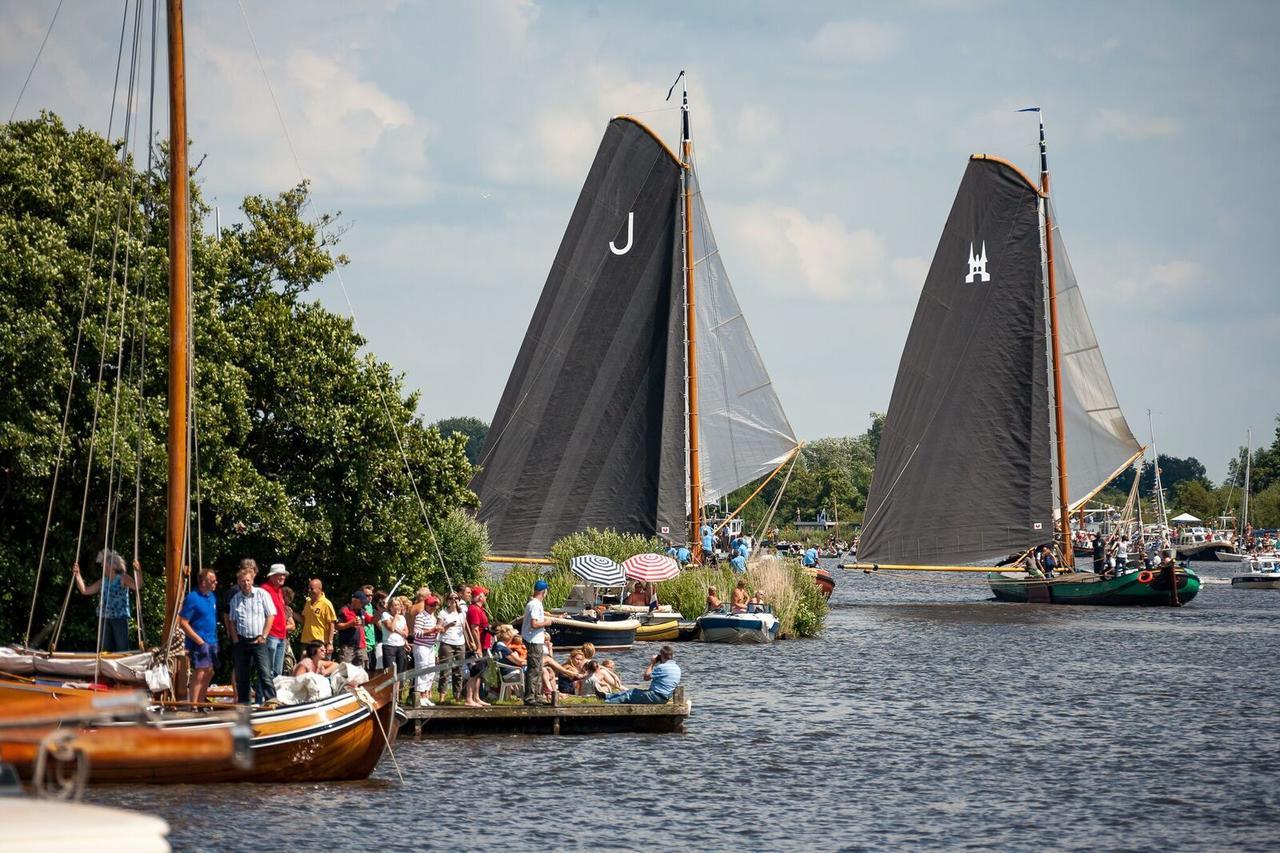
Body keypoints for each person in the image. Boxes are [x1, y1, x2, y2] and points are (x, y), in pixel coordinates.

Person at [226, 560, 277, 704]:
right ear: (238, 582)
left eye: (248, 580)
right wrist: (235, 640)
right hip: (242, 640)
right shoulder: (235, 599)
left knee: (265, 672)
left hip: (258, 640)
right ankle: (244, 703)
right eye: (242, 581)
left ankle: (271, 700)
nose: (245, 583)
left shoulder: (262, 594)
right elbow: (232, 621)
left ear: (252, 579)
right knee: (242, 676)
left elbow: (271, 615)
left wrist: (264, 636)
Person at [72, 551, 140, 653]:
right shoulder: (102, 581)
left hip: (119, 619)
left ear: (112, 566)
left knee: (122, 649)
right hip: (104, 618)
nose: (102, 567)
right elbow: (85, 590)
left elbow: (137, 586)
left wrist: (138, 571)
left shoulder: (123, 578)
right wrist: (77, 575)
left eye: (104, 565)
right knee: (104, 650)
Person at [178, 568, 219, 703]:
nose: (215, 583)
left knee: (210, 671)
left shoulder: (212, 597)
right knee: (200, 672)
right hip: (199, 641)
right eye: (212, 580)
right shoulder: (192, 598)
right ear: (203, 582)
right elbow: (183, 622)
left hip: (212, 639)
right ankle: (194, 705)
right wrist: (199, 641)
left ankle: (201, 702)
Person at [605, 645, 681, 705]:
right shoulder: (677, 668)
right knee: (633, 691)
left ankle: (606, 703)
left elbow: (646, 677)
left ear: (661, 655)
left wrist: (652, 663)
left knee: (628, 696)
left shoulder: (662, 667)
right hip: (663, 697)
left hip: (657, 696)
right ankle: (607, 696)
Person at [521, 579, 554, 705]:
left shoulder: (533, 603)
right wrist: (547, 622)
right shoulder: (535, 604)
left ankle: (538, 696)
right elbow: (534, 624)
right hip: (533, 640)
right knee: (534, 669)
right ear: (544, 591)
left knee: (539, 669)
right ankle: (530, 697)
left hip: (536, 640)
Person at [463, 587, 492, 707]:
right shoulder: (474, 609)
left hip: (484, 644)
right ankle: (469, 698)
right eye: (484, 595)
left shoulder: (480, 609)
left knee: (480, 671)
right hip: (477, 646)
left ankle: (476, 697)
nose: (485, 598)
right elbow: (475, 629)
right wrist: (478, 647)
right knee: (474, 671)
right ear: (480, 596)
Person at [260, 563, 290, 678]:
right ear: (271, 576)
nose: (282, 577)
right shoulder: (264, 590)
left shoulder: (280, 591)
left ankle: (274, 695)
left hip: (281, 635)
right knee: (268, 671)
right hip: (271, 634)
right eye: (279, 575)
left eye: (283, 575)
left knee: (278, 673)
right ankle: (264, 696)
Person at [411, 594, 441, 706]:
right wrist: (432, 630)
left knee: (431, 671)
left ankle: (425, 695)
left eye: (435, 605)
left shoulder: (433, 617)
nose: (434, 607)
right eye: (432, 605)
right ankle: (420, 696)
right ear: (426, 605)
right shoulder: (420, 616)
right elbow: (417, 633)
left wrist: (438, 631)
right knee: (422, 671)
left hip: (430, 646)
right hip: (421, 647)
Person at [437, 592, 467, 700]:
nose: (453, 600)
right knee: (445, 670)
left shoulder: (462, 613)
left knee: (458, 670)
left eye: (456, 598)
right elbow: (439, 630)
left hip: (460, 643)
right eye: (451, 598)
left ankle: (457, 696)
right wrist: (448, 625)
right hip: (447, 642)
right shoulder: (443, 613)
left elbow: (465, 628)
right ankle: (442, 697)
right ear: (447, 600)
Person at [300, 578, 337, 656]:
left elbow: (332, 624)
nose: (309, 590)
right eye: (308, 588)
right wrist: (291, 613)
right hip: (306, 643)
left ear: (319, 589)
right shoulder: (308, 602)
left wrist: (330, 643)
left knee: (321, 667)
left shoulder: (326, 604)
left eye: (311, 588)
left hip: (320, 644)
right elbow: (304, 620)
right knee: (306, 666)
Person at [335, 591, 372, 667]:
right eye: (361, 602)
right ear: (354, 600)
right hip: (347, 646)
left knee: (361, 670)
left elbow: (371, 620)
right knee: (346, 669)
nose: (363, 604)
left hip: (361, 646)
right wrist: (351, 624)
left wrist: (381, 611)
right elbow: (337, 626)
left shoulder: (362, 611)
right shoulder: (344, 610)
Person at [380, 595, 411, 679]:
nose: (398, 607)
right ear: (390, 607)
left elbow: (406, 634)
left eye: (399, 605)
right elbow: (391, 628)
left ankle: (398, 691)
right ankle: (389, 691)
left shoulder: (402, 618)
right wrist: (396, 617)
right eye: (395, 605)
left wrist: (399, 632)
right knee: (390, 672)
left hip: (400, 646)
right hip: (389, 646)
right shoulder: (385, 615)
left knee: (400, 672)